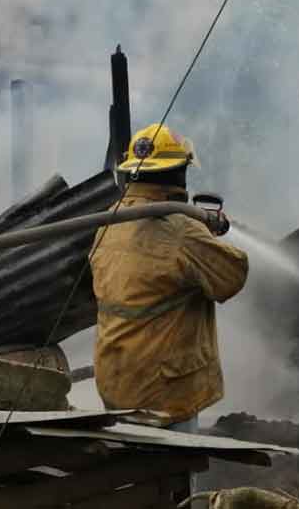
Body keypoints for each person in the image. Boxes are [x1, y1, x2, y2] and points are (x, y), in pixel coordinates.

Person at [90, 123, 249, 433]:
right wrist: (205, 233)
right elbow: (231, 278)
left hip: (116, 380)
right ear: (178, 172)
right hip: (165, 392)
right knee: (173, 473)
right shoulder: (183, 230)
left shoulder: (111, 219)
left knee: (132, 469)